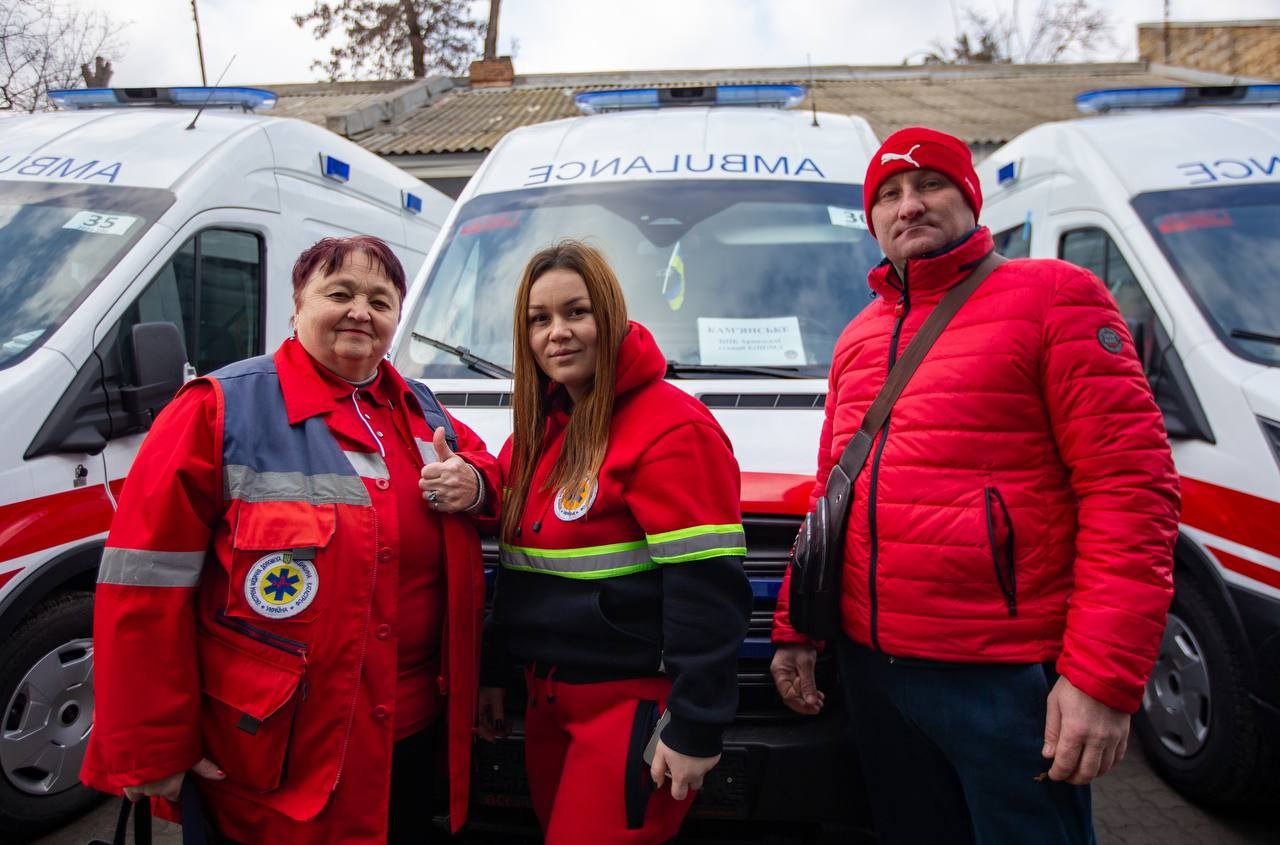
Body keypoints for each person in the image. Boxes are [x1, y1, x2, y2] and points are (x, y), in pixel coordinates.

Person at [770, 127, 1181, 844]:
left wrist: (1101, 679)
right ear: (871, 221)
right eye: (889, 195)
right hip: (875, 673)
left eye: (929, 184)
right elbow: (829, 500)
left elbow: (1131, 490)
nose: (908, 206)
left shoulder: (1054, 296)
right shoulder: (859, 336)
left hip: (1004, 678)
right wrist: (797, 626)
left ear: (970, 198)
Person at [81, 236, 500, 844]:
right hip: (273, 751)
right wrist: (151, 745)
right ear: (296, 307)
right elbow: (142, 586)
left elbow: (493, 470)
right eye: (341, 293)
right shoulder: (215, 410)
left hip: (411, 733)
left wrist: (476, 484)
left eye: (381, 301)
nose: (362, 311)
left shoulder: (421, 409)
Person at [476, 240, 752, 843]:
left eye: (577, 312)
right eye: (539, 319)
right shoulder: (537, 432)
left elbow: (708, 590)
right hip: (546, 700)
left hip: (630, 706)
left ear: (611, 316)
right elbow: (517, 572)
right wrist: (494, 672)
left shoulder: (673, 428)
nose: (558, 333)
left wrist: (695, 725)